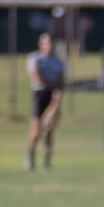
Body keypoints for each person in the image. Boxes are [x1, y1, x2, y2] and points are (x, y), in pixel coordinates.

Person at [26, 32, 65, 171]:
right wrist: (53, 82)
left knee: (48, 130)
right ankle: (30, 155)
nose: (49, 46)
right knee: (36, 130)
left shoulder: (59, 61)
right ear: (41, 44)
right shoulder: (35, 58)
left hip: (53, 96)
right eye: (46, 42)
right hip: (39, 95)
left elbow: (62, 82)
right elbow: (37, 78)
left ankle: (46, 163)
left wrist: (56, 99)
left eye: (51, 43)